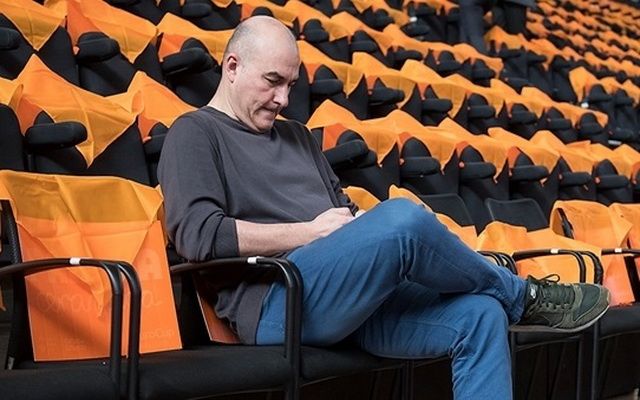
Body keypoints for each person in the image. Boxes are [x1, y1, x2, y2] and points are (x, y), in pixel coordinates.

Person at [157, 16, 609, 399]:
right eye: (272, 82)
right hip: (280, 300)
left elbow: (343, 211)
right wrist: (310, 232)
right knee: (403, 218)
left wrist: (364, 238)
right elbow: (198, 236)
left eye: (290, 85)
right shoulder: (194, 132)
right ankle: (523, 297)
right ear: (232, 67)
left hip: (350, 294)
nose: (283, 99)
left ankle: (506, 299)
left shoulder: (297, 135)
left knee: (480, 315)